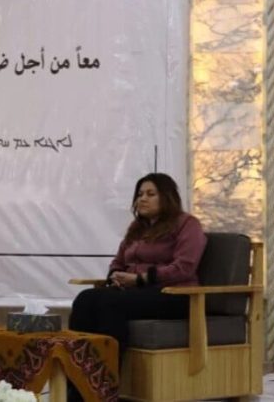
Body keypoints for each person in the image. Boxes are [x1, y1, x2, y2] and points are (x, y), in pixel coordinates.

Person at [67, 172, 207, 401]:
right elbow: (118, 261)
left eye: (151, 194)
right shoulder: (137, 228)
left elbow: (184, 268)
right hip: (138, 292)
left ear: (167, 197)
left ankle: (105, 387)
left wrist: (139, 279)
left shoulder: (187, 224)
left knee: (110, 303)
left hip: (176, 295)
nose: (142, 199)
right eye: (140, 194)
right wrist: (114, 276)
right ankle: (78, 386)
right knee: (85, 299)